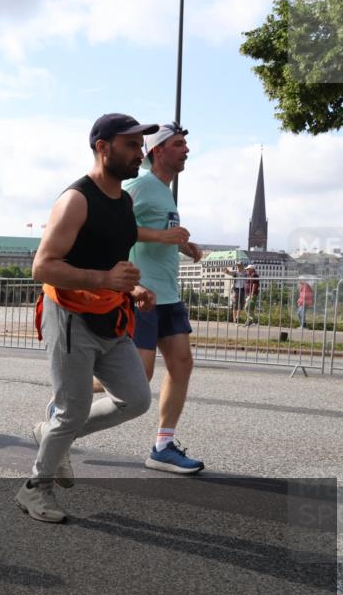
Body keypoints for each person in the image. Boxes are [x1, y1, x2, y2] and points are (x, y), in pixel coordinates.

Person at [18, 113, 157, 523]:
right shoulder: (76, 199)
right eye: (131, 145)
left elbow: (112, 262)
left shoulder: (125, 201)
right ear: (103, 147)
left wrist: (132, 287)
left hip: (109, 316)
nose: (140, 153)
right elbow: (42, 267)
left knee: (135, 399)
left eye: (141, 145)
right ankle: (34, 488)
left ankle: (50, 436)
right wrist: (105, 279)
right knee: (72, 410)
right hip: (69, 316)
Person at [94, 123, 205, 474]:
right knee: (139, 376)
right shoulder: (140, 185)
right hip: (143, 293)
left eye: (186, 144)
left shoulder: (165, 191)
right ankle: (71, 390)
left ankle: (163, 446)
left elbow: (160, 232)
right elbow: (118, 225)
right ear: (158, 151)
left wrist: (185, 245)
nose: (186, 150)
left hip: (169, 294)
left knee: (182, 363)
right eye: (179, 144)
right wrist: (162, 236)